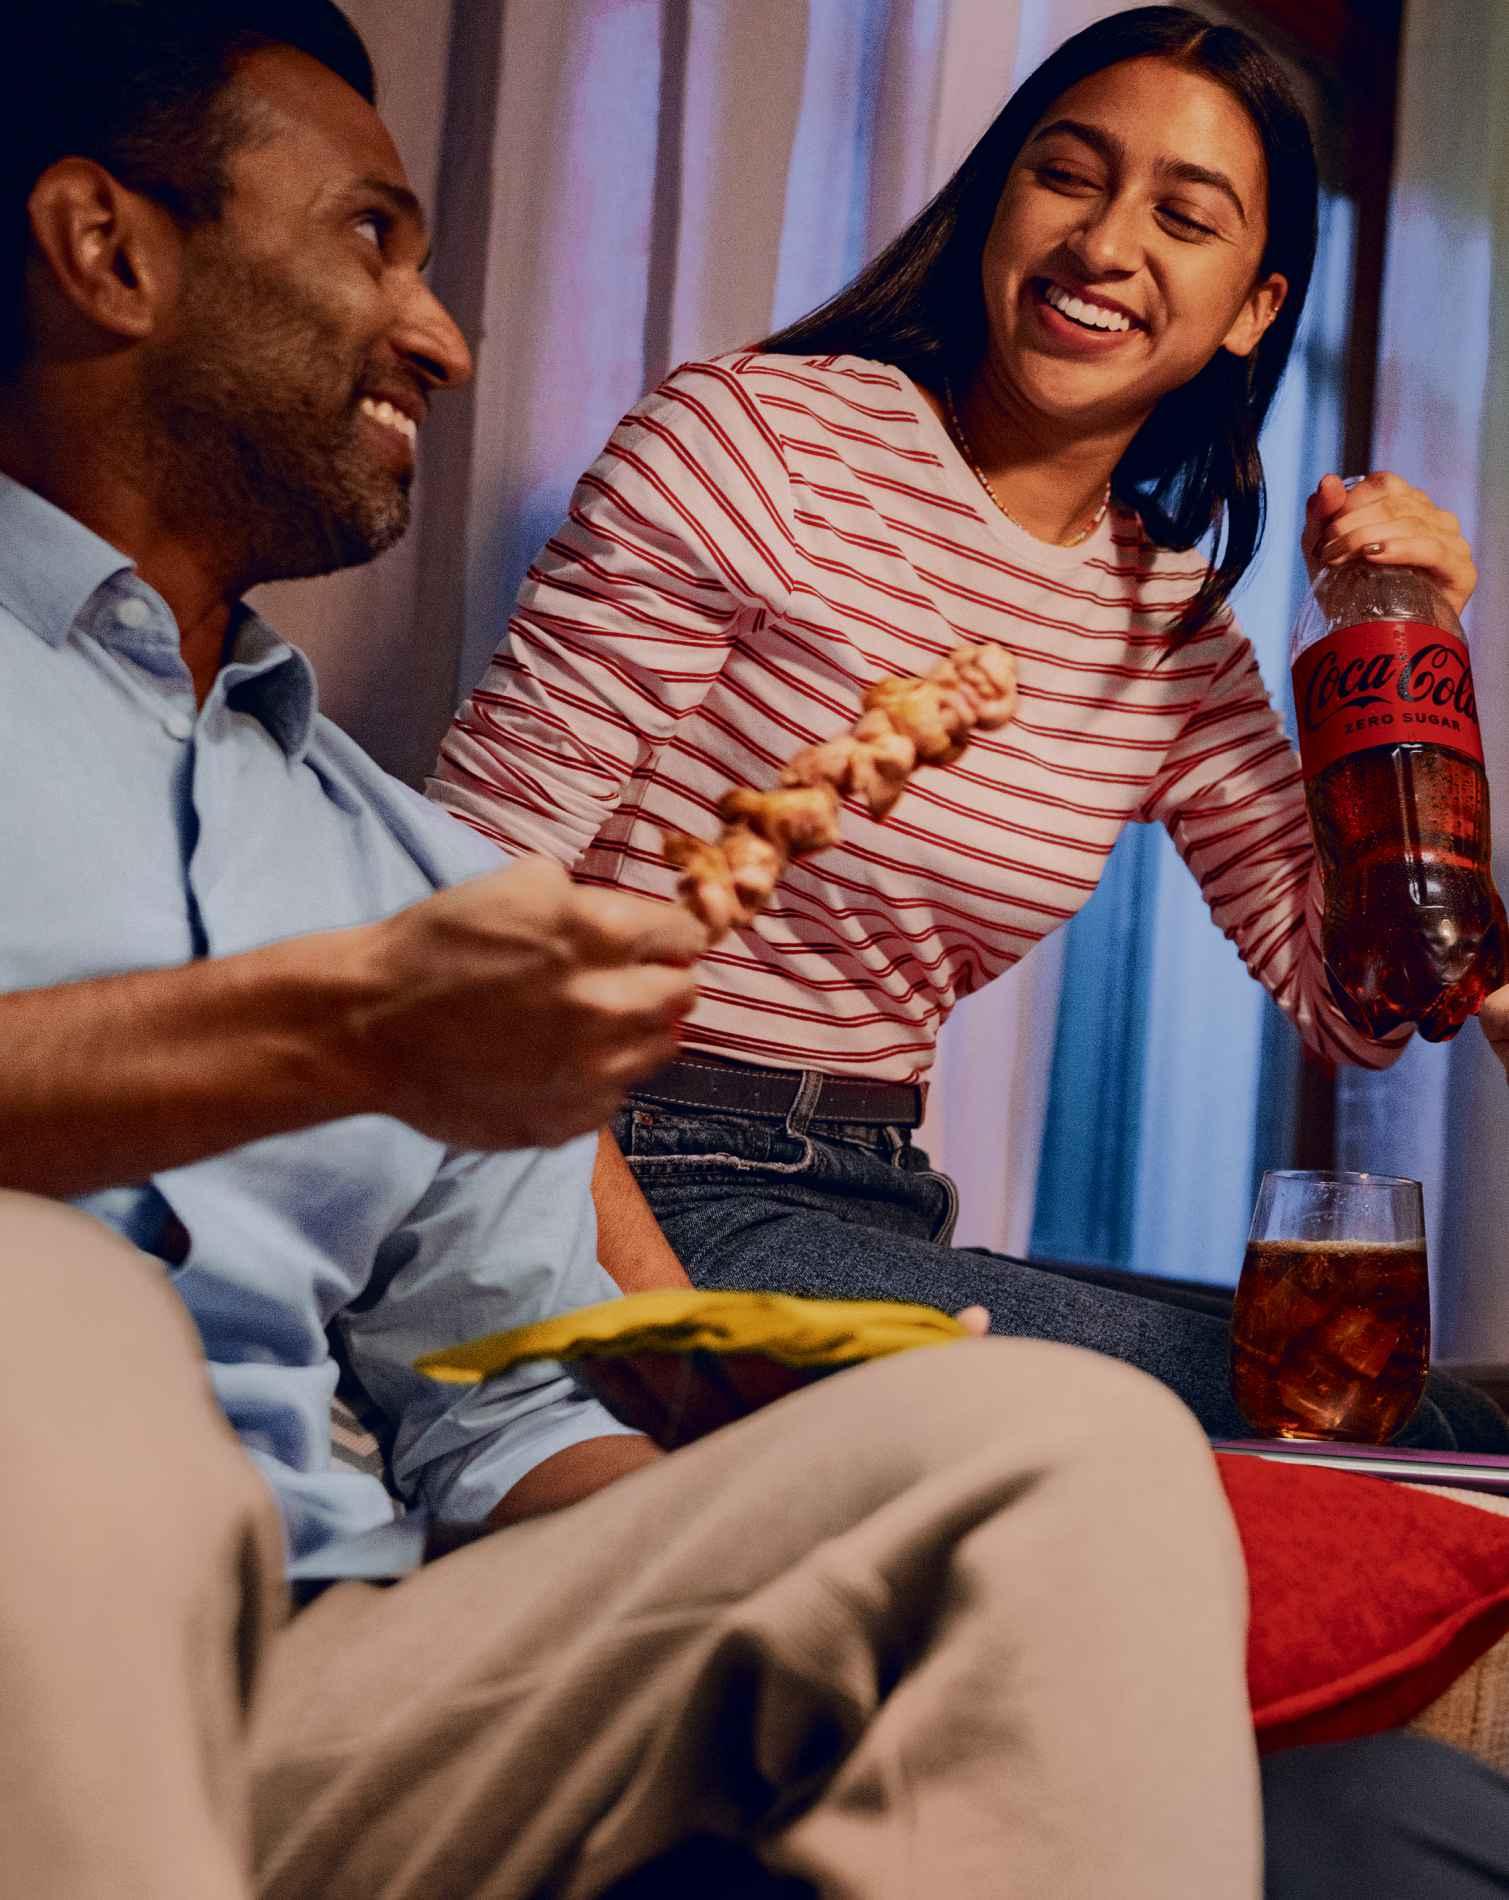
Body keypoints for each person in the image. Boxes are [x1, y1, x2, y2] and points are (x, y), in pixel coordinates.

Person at [0, 5, 1286, 1896]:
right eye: (372, 239)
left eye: (1187, 214)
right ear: (106, 250)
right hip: (94, 1589)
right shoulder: (428, 931)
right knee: (49, 1308)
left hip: (337, 1671)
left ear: (1255, 306)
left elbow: (509, 1405)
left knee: (1056, 1444)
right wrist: (341, 1032)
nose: (443, 336)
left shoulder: (379, 854)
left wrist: (728, 1506)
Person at [429, 4, 1505, 1450]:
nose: (1103, 244)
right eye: (1067, 174)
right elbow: (463, 901)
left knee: (1387, 1399)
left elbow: (1357, 1006)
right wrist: (662, 1333)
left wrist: (1400, 649)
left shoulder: (1171, 633)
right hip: (627, 1167)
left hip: (868, 1198)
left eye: (1183, 216)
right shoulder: (756, 445)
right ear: (998, 200)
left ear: (1254, 307)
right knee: (1405, 1429)